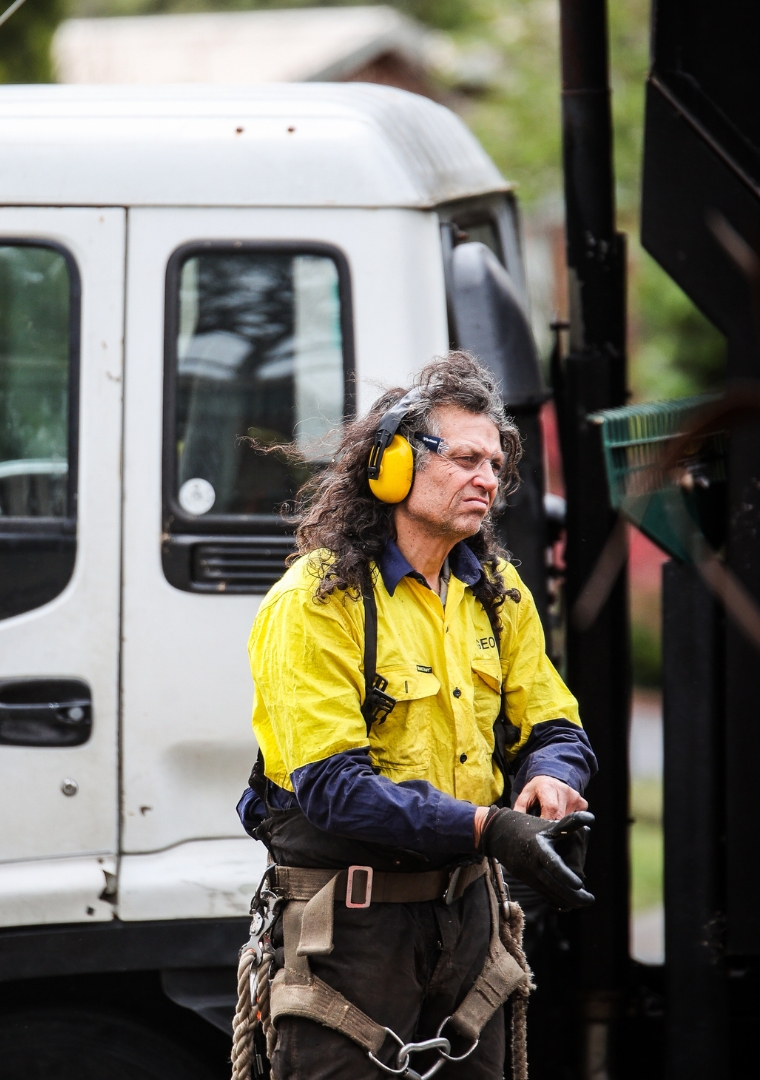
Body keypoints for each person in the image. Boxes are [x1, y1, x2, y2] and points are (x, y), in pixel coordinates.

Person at [237, 353, 596, 1080]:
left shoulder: (497, 590)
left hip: (471, 922)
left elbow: (556, 727)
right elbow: (334, 789)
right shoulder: (316, 601)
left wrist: (552, 782)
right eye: (465, 458)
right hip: (348, 934)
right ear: (394, 466)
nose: (488, 480)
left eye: (495, 464)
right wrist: (492, 827)